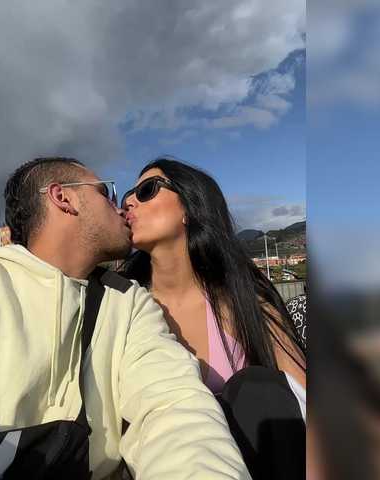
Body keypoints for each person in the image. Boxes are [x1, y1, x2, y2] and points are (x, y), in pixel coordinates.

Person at [0, 157, 250, 479]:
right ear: (64, 198)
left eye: (145, 191)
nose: (123, 206)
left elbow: (173, 405)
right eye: (107, 193)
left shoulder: (129, 304)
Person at [120, 157, 306, 480]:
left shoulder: (247, 303)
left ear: (189, 207)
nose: (128, 202)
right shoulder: (122, 308)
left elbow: (303, 399)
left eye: (147, 190)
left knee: (255, 388)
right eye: (127, 195)